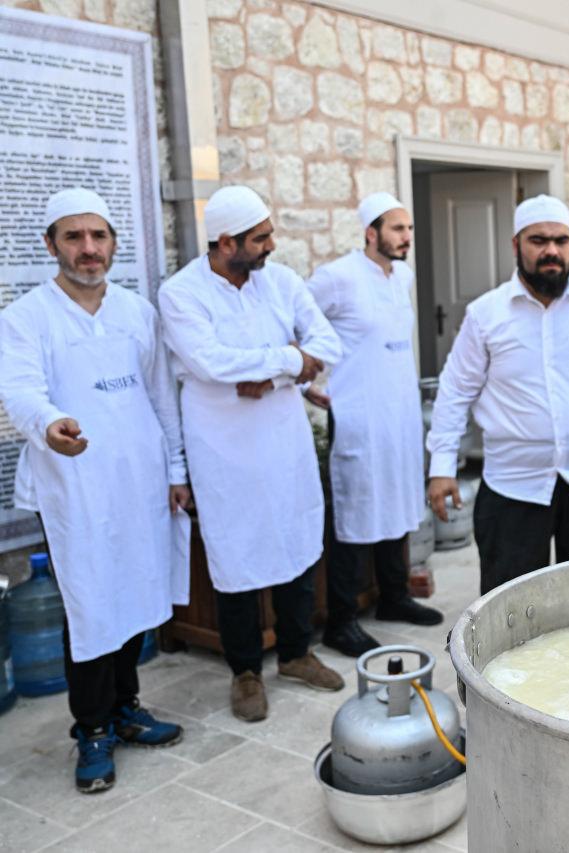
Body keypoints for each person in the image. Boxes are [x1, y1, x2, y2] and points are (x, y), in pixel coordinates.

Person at [0, 189, 188, 793]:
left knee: (135, 593)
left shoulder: (137, 312)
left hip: (138, 482)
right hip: (73, 489)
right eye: (74, 237)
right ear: (51, 243)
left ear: (113, 242)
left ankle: (126, 708)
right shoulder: (25, 317)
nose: (88, 249)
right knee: (89, 606)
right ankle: (93, 729)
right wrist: (49, 426)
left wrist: (176, 471)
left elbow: (162, 397)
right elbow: (21, 389)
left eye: (98, 236)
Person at [158, 185, 345, 722]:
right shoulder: (181, 293)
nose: (271, 245)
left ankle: (294, 654)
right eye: (260, 237)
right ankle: (244, 672)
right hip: (224, 446)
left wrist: (271, 371)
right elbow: (210, 362)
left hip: (283, 438)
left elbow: (327, 343)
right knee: (235, 553)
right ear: (225, 242)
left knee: (296, 537)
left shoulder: (281, 281)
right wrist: (291, 364)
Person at [426, 195, 569, 594]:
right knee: (511, 611)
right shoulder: (486, 314)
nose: (552, 250)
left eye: (561, 240)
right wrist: (442, 466)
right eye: (539, 240)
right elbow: (455, 391)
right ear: (516, 245)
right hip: (513, 485)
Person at [307, 192, 442, 658]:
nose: (407, 237)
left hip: (399, 414)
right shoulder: (337, 278)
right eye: (398, 229)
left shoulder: (400, 274)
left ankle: (394, 597)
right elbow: (296, 323)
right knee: (356, 511)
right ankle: (341, 621)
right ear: (371, 233)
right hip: (360, 416)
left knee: (399, 502)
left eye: (409, 229)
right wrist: (305, 383)